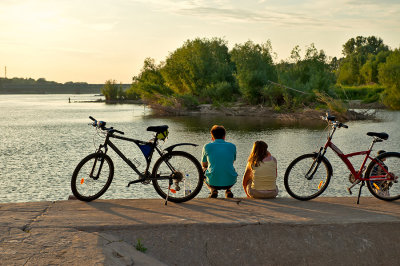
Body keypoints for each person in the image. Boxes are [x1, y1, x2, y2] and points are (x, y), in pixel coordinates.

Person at [202, 125, 238, 198]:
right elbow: (232, 162)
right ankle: (228, 190)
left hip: (212, 182)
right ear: (224, 136)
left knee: (202, 169)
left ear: (212, 138)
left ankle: (213, 190)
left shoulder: (207, 146)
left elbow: (204, 164)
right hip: (230, 182)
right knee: (230, 167)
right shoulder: (232, 146)